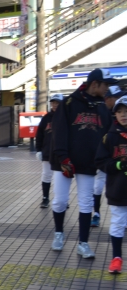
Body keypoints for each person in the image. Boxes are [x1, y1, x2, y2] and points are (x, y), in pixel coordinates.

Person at [50, 68, 114, 258]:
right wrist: (63, 158)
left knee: (86, 203)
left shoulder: (102, 107)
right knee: (60, 201)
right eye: (105, 84)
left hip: (88, 163)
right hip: (64, 162)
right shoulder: (69, 103)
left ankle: (83, 243)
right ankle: (59, 233)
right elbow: (58, 131)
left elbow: (108, 136)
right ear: (95, 84)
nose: (107, 89)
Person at [96, 96, 127, 274]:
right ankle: (116, 258)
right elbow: (100, 161)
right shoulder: (109, 137)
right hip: (118, 188)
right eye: (120, 111)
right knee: (118, 222)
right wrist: (118, 165)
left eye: (126, 111)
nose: (123, 115)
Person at [93, 85, 127, 227]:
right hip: (107, 152)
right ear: (108, 98)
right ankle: (96, 213)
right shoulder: (99, 110)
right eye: (116, 97)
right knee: (99, 184)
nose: (119, 98)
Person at [35, 94, 64, 208]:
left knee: (61, 176)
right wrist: (39, 150)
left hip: (62, 153)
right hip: (48, 152)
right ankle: (45, 198)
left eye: (57, 103)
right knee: (46, 175)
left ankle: (62, 199)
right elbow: (39, 135)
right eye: (53, 103)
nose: (55, 105)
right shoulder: (46, 118)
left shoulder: (66, 117)